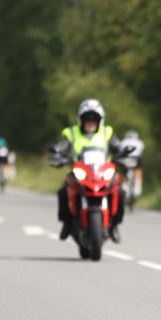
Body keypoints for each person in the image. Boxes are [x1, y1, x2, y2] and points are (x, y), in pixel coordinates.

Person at [51, 99, 125, 242]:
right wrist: (58, 154)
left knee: (120, 191)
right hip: (79, 171)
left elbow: (118, 147)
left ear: (100, 121)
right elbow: (61, 147)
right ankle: (67, 224)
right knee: (63, 192)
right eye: (87, 119)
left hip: (102, 172)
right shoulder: (71, 133)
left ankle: (115, 225)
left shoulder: (107, 133)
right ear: (81, 120)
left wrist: (123, 153)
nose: (90, 122)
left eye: (94, 119)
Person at [118, 129, 145, 200]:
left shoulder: (123, 142)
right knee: (138, 169)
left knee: (122, 171)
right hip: (136, 159)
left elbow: (120, 152)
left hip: (125, 160)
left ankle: (123, 185)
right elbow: (141, 152)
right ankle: (137, 187)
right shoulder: (140, 142)